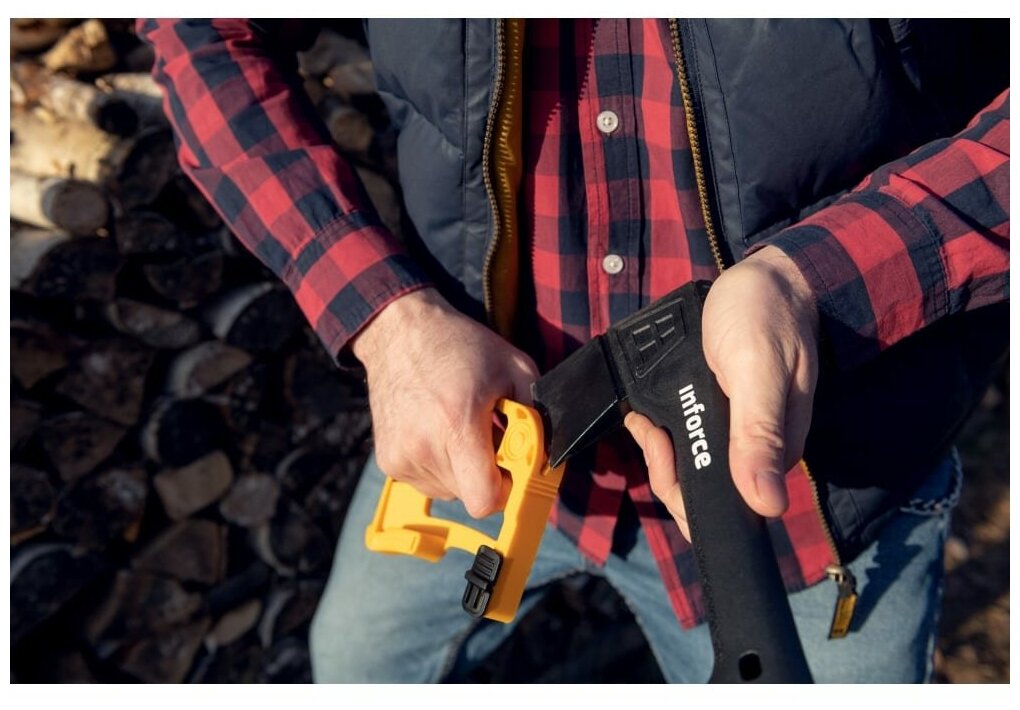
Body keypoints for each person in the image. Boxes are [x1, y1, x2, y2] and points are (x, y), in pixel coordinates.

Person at [139, 19, 1009, 682]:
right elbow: (204, 31)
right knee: (357, 665)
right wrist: (384, 316)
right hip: (480, 429)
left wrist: (818, 281)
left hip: (808, 488)